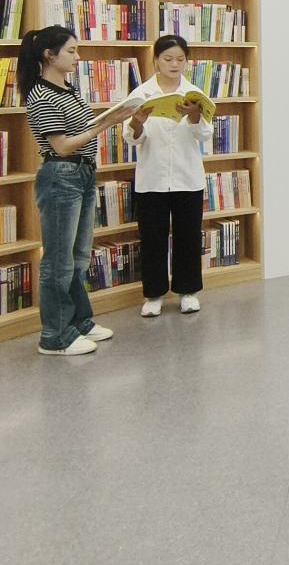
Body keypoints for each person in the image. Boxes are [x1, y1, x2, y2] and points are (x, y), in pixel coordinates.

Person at [20, 25, 135, 356]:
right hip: (61, 174)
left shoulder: (68, 90)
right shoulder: (40, 95)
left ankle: (79, 321)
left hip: (82, 174)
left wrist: (114, 116)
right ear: (49, 55)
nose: (77, 56)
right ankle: (54, 336)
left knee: (78, 256)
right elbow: (62, 145)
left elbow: (79, 131)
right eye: (71, 51)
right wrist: (106, 124)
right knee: (58, 260)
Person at [127, 35, 212, 318]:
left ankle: (188, 292)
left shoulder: (194, 93)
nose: (175, 64)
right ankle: (154, 295)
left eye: (180, 59)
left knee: (188, 236)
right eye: (168, 59)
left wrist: (195, 116)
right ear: (156, 61)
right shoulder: (142, 93)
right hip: (152, 178)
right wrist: (137, 123)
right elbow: (132, 139)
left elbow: (205, 135)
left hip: (187, 177)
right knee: (153, 239)